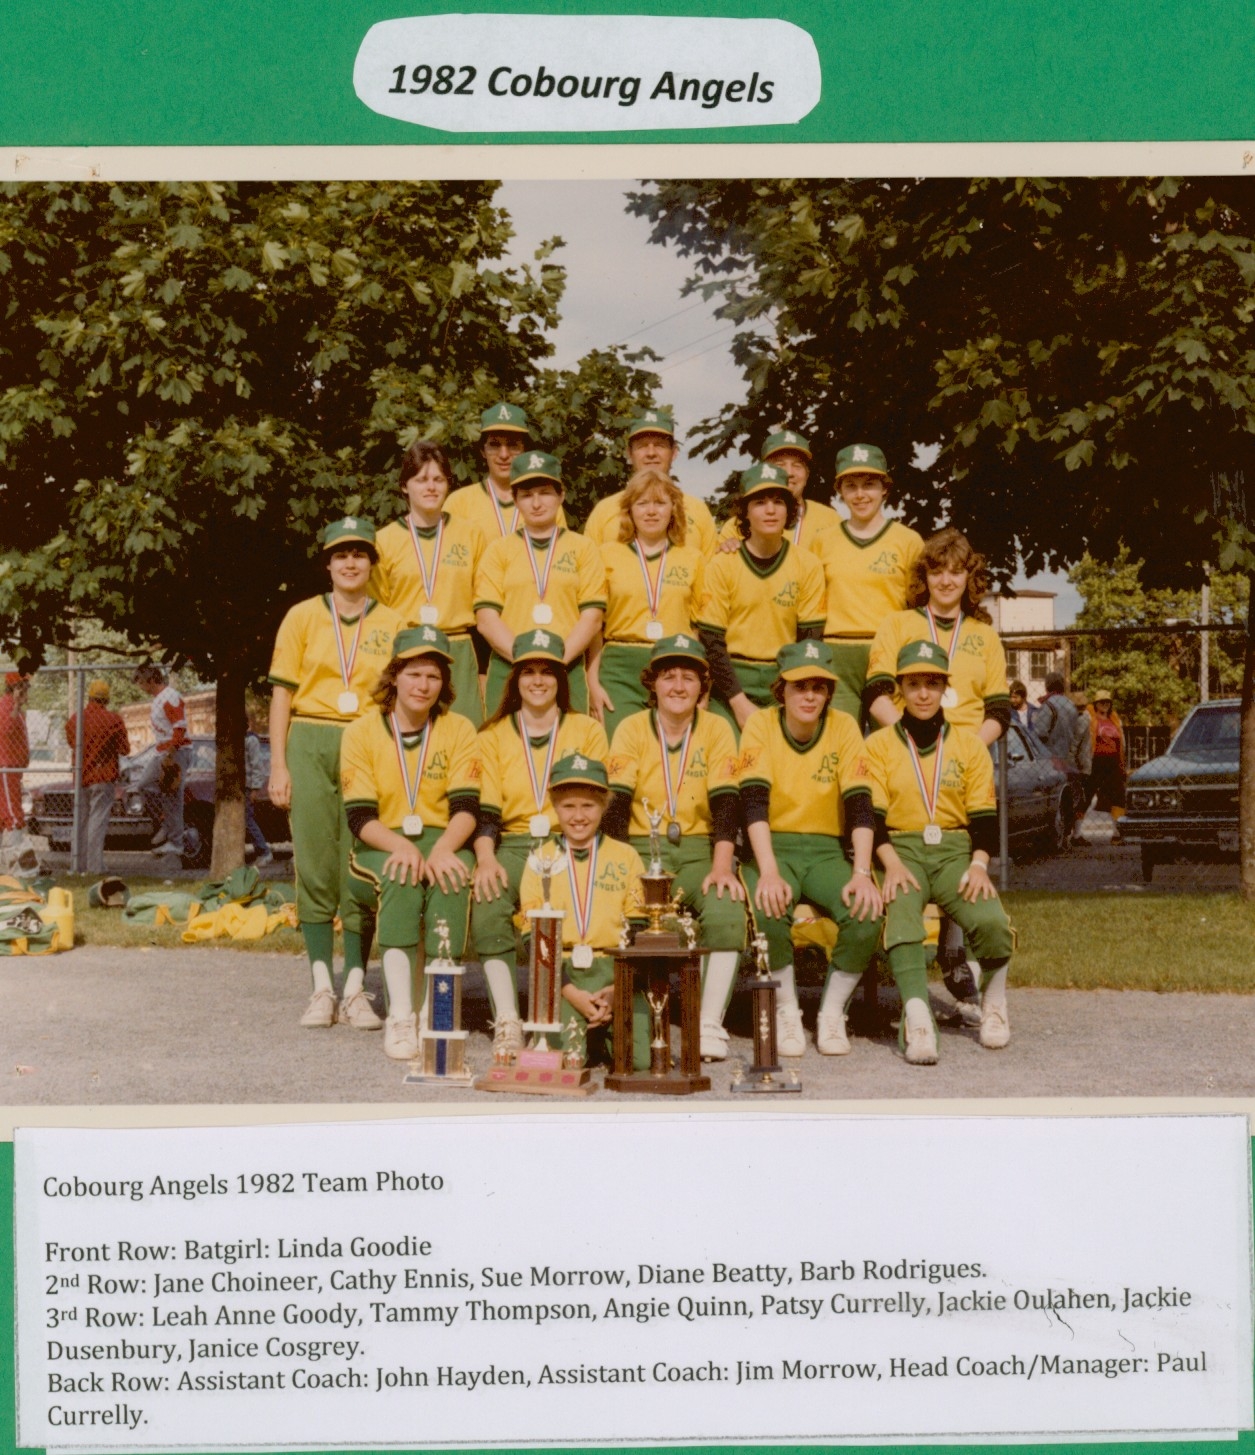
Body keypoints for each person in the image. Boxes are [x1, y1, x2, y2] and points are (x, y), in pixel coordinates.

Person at [268, 517, 403, 1031]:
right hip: (311, 736)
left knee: (359, 864)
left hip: (365, 738)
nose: (350, 563)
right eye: (341, 554)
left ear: (371, 563)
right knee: (316, 862)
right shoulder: (302, 616)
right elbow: (282, 694)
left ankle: (355, 988)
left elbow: (400, 697)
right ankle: (321, 985)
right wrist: (279, 764)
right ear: (328, 564)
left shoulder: (393, 621)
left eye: (360, 554)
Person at [865, 640, 1014, 1063]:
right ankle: (917, 1018)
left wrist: (979, 865)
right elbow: (871, 817)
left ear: (945, 688)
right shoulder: (878, 745)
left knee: (990, 919)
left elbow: (984, 818)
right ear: (900, 688)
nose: (923, 694)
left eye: (932, 684)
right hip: (901, 850)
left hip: (954, 851)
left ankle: (994, 1004)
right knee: (902, 914)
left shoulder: (968, 746)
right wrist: (890, 863)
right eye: (914, 684)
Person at [736, 641, 883, 1057]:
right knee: (768, 906)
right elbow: (753, 804)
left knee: (866, 912)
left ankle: (831, 1012)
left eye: (819, 687)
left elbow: (860, 805)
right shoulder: (760, 724)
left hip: (825, 852)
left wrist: (862, 873)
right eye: (799, 686)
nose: (809, 696)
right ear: (781, 689)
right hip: (773, 846)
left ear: (829, 692)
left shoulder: (843, 726)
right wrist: (767, 870)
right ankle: (787, 1009)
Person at [604, 633, 746, 1061]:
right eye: (668, 676)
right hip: (639, 851)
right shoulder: (631, 727)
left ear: (703, 685)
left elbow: (726, 803)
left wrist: (722, 866)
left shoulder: (717, 727)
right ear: (653, 683)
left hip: (699, 850)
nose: (679, 686)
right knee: (624, 913)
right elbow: (616, 807)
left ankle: (708, 1022)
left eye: (689, 677)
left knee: (726, 908)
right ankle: (634, 1015)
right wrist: (617, 867)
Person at [342, 626, 481, 1060]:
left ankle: (437, 1013)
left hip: (443, 837)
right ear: (394, 677)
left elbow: (466, 808)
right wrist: (401, 846)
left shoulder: (459, 728)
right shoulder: (362, 731)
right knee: (401, 877)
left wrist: (442, 849)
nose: (423, 685)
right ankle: (401, 1015)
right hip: (381, 843)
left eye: (433, 676)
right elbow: (360, 817)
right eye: (414, 674)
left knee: (452, 875)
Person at [471, 629, 609, 1058]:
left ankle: (568, 1005)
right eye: (527, 671)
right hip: (513, 844)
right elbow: (487, 813)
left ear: (561, 679)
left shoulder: (586, 729)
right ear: (514, 679)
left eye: (547, 672)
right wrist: (485, 858)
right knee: (490, 900)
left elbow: (596, 806)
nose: (537, 680)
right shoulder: (492, 735)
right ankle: (508, 1019)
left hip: (568, 842)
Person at [516, 753, 651, 1070]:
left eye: (588, 806)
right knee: (563, 1062)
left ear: (604, 805)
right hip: (562, 975)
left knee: (640, 1062)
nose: (578, 816)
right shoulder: (539, 859)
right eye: (568, 806)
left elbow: (639, 930)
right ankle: (587, 1036)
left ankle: (601, 1036)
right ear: (554, 806)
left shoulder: (626, 856)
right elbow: (533, 939)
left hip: (614, 971)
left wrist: (617, 989)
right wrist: (570, 992)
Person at [695, 461, 827, 733]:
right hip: (730, 684)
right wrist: (739, 703)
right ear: (745, 511)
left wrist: (792, 693)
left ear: (789, 509)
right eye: (759, 502)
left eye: (778, 502)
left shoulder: (808, 565)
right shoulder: (722, 564)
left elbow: (809, 640)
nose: (770, 510)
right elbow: (711, 641)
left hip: (784, 680)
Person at [473, 451, 606, 717]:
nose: (536, 503)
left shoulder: (583, 548)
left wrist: (555, 662)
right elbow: (486, 619)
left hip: (566, 667)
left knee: (568, 740)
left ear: (561, 495)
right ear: (515, 500)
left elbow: (592, 618)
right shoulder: (498, 550)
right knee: (505, 741)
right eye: (526, 495)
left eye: (545, 493)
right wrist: (525, 661)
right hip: (510, 667)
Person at [371, 439, 487, 724]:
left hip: (457, 649)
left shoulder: (471, 535)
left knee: (465, 733)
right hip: (407, 650)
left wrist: (483, 671)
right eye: (421, 479)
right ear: (404, 486)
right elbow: (377, 613)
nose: (431, 487)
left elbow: (484, 605)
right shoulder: (384, 541)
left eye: (438, 479)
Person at [587, 468, 706, 739]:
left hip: (675, 665)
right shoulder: (605, 555)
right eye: (642, 503)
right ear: (629, 510)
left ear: (673, 509)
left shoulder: (693, 559)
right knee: (619, 747)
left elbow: (699, 629)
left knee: (669, 749)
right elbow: (595, 627)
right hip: (619, 668)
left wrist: (703, 689)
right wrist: (593, 682)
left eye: (660, 503)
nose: (651, 512)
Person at [865, 526, 1009, 747]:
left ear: (969, 577)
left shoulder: (986, 636)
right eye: (936, 572)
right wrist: (909, 742)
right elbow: (876, 695)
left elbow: (999, 710)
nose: (945, 581)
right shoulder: (896, 625)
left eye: (956, 572)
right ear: (924, 576)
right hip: (909, 748)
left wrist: (971, 751)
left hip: (967, 751)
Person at [815, 443, 925, 722]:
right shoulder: (822, 541)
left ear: (884, 488)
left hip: (889, 652)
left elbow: (918, 608)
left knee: (892, 738)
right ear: (840, 490)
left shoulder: (908, 540)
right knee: (841, 738)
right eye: (851, 486)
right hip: (837, 655)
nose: (860, 494)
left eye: (869, 485)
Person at [581, 408, 719, 558]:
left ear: (674, 452)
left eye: (660, 445)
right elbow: (587, 567)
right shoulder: (604, 511)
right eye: (642, 446)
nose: (651, 453)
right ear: (629, 453)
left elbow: (712, 568)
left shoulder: (698, 510)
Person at [717, 429, 843, 552]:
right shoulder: (736, 527)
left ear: (807, 474)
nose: (789, 473)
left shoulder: (830, 520)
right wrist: (727, 550)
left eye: (797, 465)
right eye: (779, 465)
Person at [65, 678, 130, 875]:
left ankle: (78, 864)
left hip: (81, 776)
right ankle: (94, 867)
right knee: (97, 822)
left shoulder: (76, 719)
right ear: (107, 699)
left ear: (90, 697)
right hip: (103, 775)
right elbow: (124, 749)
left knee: (80, 821)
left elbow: (71, 742)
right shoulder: (113, 720)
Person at [133, 663, 191, 858]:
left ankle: (175, 839)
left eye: (141, 683)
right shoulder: (159, 699)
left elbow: (179, 727)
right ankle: (168, 825)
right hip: (163, 751)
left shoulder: (169, 696)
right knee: (149, 787)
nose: (141, 688)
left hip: (174, 751)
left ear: (150, 680)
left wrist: (171, 754)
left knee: (171, 794)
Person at [1084, 687, 1127, 843]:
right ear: (1095, 703)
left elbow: (1122, 743)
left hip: (1113, 762)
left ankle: (1117, 832)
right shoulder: (1088, 718)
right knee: (1086, 794)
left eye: (1107, 702)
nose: (1105, 705)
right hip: (1095, 761)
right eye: (1101, 702)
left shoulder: (1115, 719)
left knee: (1119, 796)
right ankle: (1076, 834)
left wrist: (1122, 763)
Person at [0, 673, 30, 853]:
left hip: (13, 767)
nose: (27, 690)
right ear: (15, 688)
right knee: (13, 814)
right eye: (24, 686)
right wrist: (17, 706)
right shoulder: (6, 705)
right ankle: (17, 855)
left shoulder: (15, 709)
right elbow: (5, 730)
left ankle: (6, 860)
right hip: (7, 766)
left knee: (5, 812)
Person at [243, 708, 273, 869]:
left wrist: (255, 788)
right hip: (241, 786)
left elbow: (257, 765)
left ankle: (264, 851)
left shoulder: (251, 740)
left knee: (248, 819)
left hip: (249, 786)